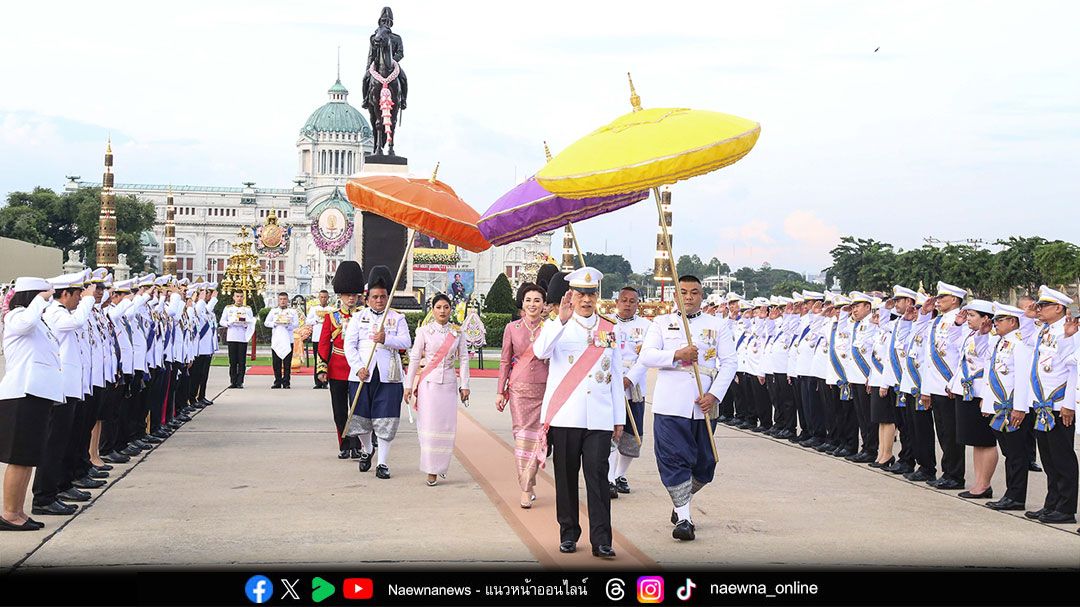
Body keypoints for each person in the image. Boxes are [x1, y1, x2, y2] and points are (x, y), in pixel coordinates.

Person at [533, 267, 625, 558]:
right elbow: (540, 352)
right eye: (580, 294)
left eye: (591, 293)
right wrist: (558, 320)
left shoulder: (609, 328)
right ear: (570, 296)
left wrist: (618, 418)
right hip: (566, 416)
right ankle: (569, 533)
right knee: (566, 477)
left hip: (599, 417)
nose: (586, 299)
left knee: (598, 478)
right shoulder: (558, 326)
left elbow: (616, 374)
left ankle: (602, 540)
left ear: (597, 296)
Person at [639, 274, 737, 541]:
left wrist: (715, 395)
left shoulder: (718, 325)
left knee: (705, 464)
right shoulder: (661, 323)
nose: (689, 297)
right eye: (683, 292)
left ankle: (680, 500)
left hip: (703, 405)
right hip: (670, 404)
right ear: (675, 296)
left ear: (701, 296)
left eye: (694, 292)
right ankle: (684, 518)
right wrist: (676, 355)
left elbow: (729, 363)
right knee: (673, 460)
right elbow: (646, 355)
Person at [0, 277, 62, 531]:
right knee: (19, 456)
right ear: (32, 295)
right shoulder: (17, 316)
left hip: (36, 395)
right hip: (21, 394)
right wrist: (40, 299)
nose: (48, 301)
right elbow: (25, 323)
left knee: (28, 457)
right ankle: (8, 513)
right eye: (43, 295)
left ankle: (18, 511)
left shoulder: (38, 320)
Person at [31, 271, 94, 517]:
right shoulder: (55, 313)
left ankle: (62, 486)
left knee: (67, 441)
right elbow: (76, 322)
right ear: (64, 293)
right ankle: (44, 497)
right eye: (78, 293)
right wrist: (89, 301)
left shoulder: (64, 312)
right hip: (60, 390)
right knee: (54, 444)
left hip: (70, 387)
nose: (81, 298)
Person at [344, 265, 412, 479]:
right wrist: (358, 368)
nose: (379, 301)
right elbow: (349, 345)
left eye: (383, 296)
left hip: (388, 376)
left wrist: (386, 339)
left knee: (386, 419)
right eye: (375, 297)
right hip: (362, 375)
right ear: (367, 298)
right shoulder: (358, 318)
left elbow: (407, 341)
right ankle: (366, 449)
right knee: (360, 418)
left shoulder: (397, 318)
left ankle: (382, 462)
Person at [1019, 286, 1077, 525]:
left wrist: (1069, 404)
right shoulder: (1044, 330)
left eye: (1043, 305)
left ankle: (1066, 508)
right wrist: (1028, 316)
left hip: (1058, 404)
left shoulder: (1070, 331)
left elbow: (1073, 369)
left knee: (1062, 458)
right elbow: (1025, 340)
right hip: (1042, 403)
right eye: (1038, 305)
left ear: (1059, 308)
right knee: (1049, 458)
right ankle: (1051, 503)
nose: (1039, 309)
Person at [404, 293, 470, 486]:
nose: (442, 311)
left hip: (449, 383)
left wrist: (465, 384)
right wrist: (409, 385)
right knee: (429, 426)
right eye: (439, 307)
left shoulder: (457, 332)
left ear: (451, 309)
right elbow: (415, 358)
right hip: (429, 384)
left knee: (447, 426)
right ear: (432, 310)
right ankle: (431, 469)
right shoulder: (424, 332)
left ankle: (441, 465)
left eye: (446, 307)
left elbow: (464, 358)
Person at [496, 282, 550, 508]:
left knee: (538, 438)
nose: (532, 304)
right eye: (528, 300)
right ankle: (526, 488)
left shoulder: (551, 328)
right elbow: (505, 360)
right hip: (518, 389)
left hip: (544, 389)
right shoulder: (512, 328)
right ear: (522, 302)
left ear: (544, 304)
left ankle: (529, 478)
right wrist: (500, 391)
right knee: (522, 439)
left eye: (537, 300)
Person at [983, 303, 1034, 511]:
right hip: (1000, 407)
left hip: (1013, 408)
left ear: (1013, 322)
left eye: (999, 320)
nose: (995, 324)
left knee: (1016, 455)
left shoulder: (1019, 345)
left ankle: (1016, 497)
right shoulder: (1000, 342)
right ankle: (1010, 494)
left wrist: (1019, 408)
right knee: (1010, 454)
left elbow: (1022, 379)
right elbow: (992, 374)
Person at [920, 282, 970, 491]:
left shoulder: (962, 321)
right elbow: (927, 356)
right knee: (942, 432)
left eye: (942, 298)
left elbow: (962, 354)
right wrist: (926, 389)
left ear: (955, 300)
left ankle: (955, 475)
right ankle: (947, 472)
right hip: (935, 384)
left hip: (949, 385)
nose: (938, 301)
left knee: (951, 434)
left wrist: (953, 382)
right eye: (938, 298)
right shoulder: (937, 321)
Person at [950, 300, 997, 498]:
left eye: (972, 316)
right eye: (967, 315)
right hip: (966, 391)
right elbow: (952, 346)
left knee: (985, 440)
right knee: (975, 441)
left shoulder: (993, 337)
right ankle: (979, 482)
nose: (968, 319)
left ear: (986, 318)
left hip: (980, 393)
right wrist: (957, 324)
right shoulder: (969, 333)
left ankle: (985, 484)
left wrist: (987, 397)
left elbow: (987, 361)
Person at [318, 262, 364, 459]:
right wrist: (322, 368)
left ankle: (356, 444)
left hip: (357, 368)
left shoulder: (364, 316)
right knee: (340, 411)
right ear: (340, 295)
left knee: (357, 410)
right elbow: (323, 345)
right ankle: (344, 444)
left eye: (354, 294)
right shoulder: (332, 317)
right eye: (347, 295)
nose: (351, 298)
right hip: (337, 367)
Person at [608, 286, 649, 497]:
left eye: (632, 301)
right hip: (610, 385)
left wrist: (629, 379)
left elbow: (646, 358)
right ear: (617, 301)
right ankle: (609, 478)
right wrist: (616, 379)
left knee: (632, 436)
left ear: (637, 304)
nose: (627, 304)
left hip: (634, 388)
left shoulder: (647, 327)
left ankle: (619, 474)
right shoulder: (607, 323)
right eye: (624, 300)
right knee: (610, 435)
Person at [843, 292, 878, 463]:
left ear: (868, 307)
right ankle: (865, 447)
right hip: (854, 376)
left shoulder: (873, 323)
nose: (854, 310)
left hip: (866, 377)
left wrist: (871, 376)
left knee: (869, 417)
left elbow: (874, 353)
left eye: (857, 306)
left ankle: (871, 449)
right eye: (853, 307)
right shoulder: (855, 325)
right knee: (861, 416)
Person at [265, 292, 300, 389]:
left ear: (287, 300)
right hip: (277, 339)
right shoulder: (273, 311)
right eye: (281, 299)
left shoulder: (292, 312)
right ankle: (277, 381)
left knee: (287, 362)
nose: (282, 301)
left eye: (284, 299)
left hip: (288, 339)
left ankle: (286, 382)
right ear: (278, 300)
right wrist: (275, 323)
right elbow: (266, 322)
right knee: (276, 362)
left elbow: (296, 324)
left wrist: (288, 325)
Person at [220, 291, 255, 389]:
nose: (239, 298)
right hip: (232, 336)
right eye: (237, 296)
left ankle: (240, 381)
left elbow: (251, 322)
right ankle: (233, 381)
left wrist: (246, 322)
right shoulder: (228, 308)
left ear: (243, 298)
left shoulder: (247, 309)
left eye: (241, 296)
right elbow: (222, 321)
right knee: (233, 361)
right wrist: (229, 323)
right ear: (233, 297)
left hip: (242, 337)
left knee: (242, 361)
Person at [306, 290, 334, 389]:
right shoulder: (314, 309)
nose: (323, 299)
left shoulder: (331, 309)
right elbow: (307, 321)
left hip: (328, 339)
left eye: (325, 297)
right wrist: (316, 320)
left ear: (328, 298)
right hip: (317, 337)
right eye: (321, 297)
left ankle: (326, 381)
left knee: (327, 360)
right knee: (317, 359)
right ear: (319, 298)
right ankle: (318, 382)